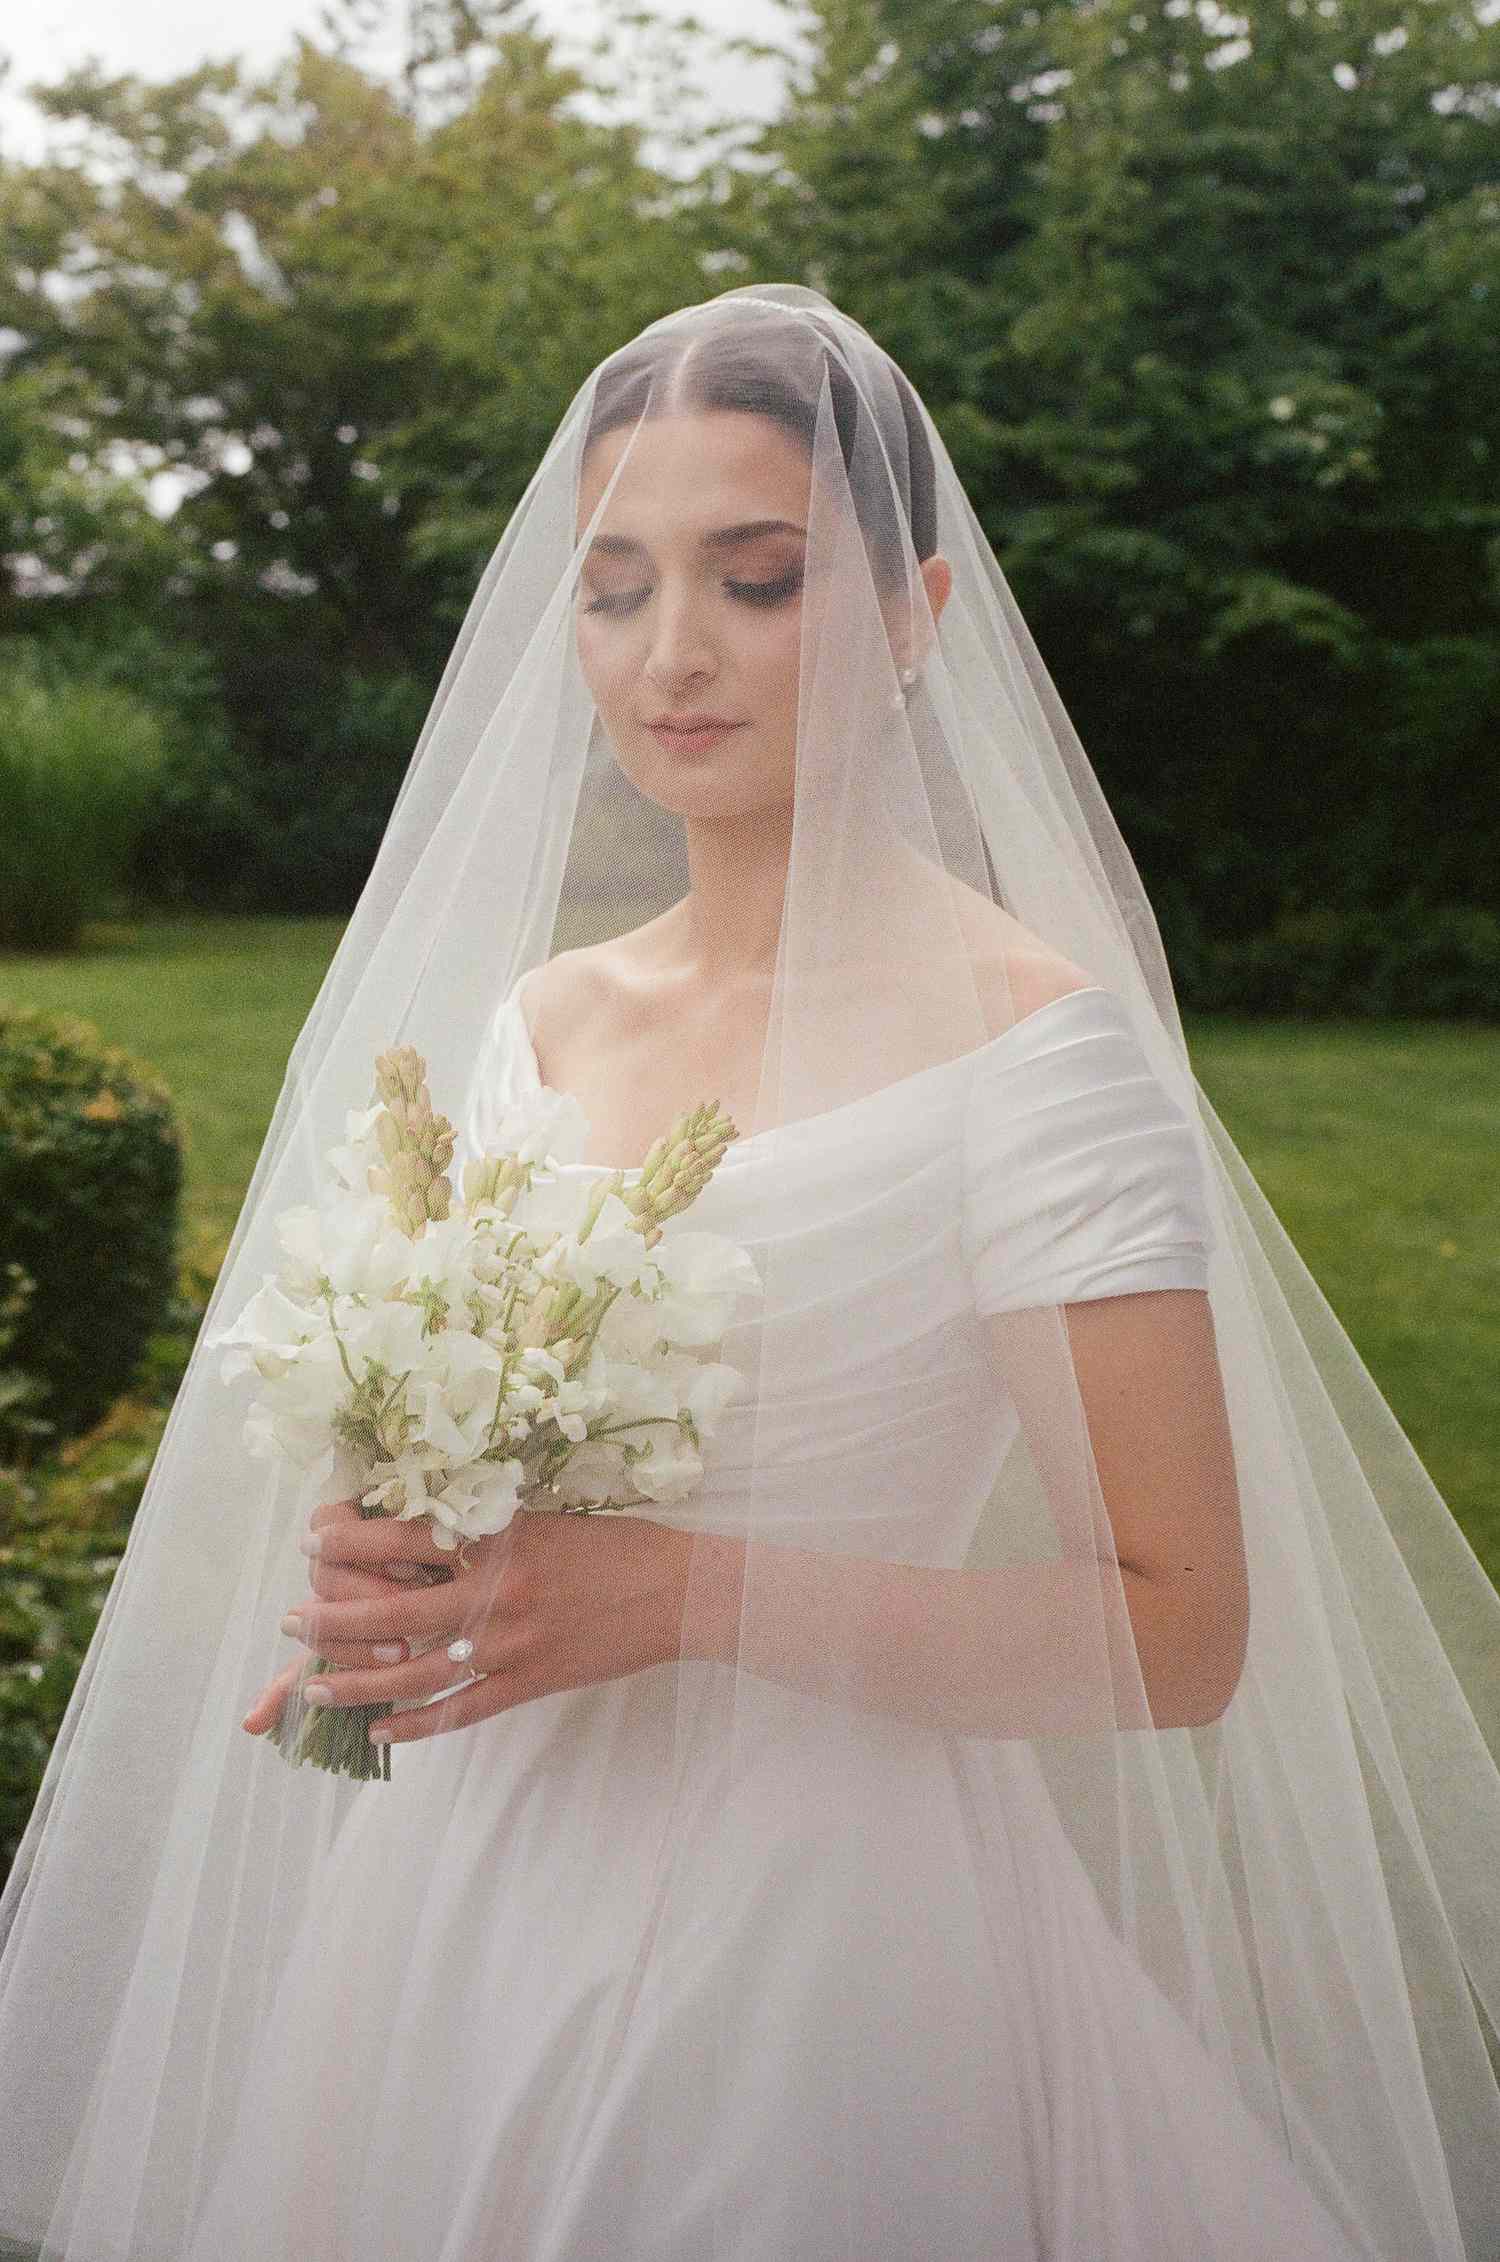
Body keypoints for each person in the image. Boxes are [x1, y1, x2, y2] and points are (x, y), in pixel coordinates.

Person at [1, 284, 1498, 2261]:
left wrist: (693, 1595)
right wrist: (402, 1541)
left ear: (916, 616)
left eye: (760, 578)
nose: (671, 654)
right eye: (614, 588)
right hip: (467, 1889)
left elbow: (1181, 1628)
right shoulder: (541, 1024)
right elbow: (492, 1447)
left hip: (816, 1947)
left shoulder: (1033, 1054)